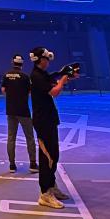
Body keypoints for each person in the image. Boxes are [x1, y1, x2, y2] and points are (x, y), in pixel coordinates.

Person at [30, 47, 78, 208]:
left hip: (49, 119)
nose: (48, 61)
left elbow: (51, 78)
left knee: (54, 155)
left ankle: (51, 185)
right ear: (40, 59)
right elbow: (54, 92)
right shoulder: (36, 76)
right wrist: (63, 80)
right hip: (43, 121)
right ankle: (44, 193)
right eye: (46, 59)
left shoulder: (42, 74)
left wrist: (64, 74)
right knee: (47, 157)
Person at [1, 54, 38, 173]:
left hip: (10, 110)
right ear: (22, 63)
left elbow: (3, 90)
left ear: (12, 62)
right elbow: (30, 92)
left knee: (11, 137)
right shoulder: (25, 77)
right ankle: (33, 164)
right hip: (23, 110)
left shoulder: (6, 75)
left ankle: (12, 165)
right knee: (29, 137)